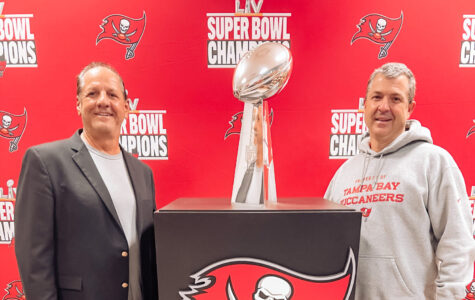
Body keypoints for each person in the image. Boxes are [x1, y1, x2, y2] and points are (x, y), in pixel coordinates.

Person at [324, 62, 475, 299]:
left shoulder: (434, 162)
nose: (384, 107)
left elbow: (456, 242)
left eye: (395, 99)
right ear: (365, 105)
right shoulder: (344, 173)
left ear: (410, 108)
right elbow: (325, 245)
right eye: (376, 97)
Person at [14, 62, 158, 300]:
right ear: (79, 104)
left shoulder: (143, 172)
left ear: (126, 106)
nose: (103, 101)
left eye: (112, 94)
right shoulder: (45, 162)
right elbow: (34, 259)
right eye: (92, 93)